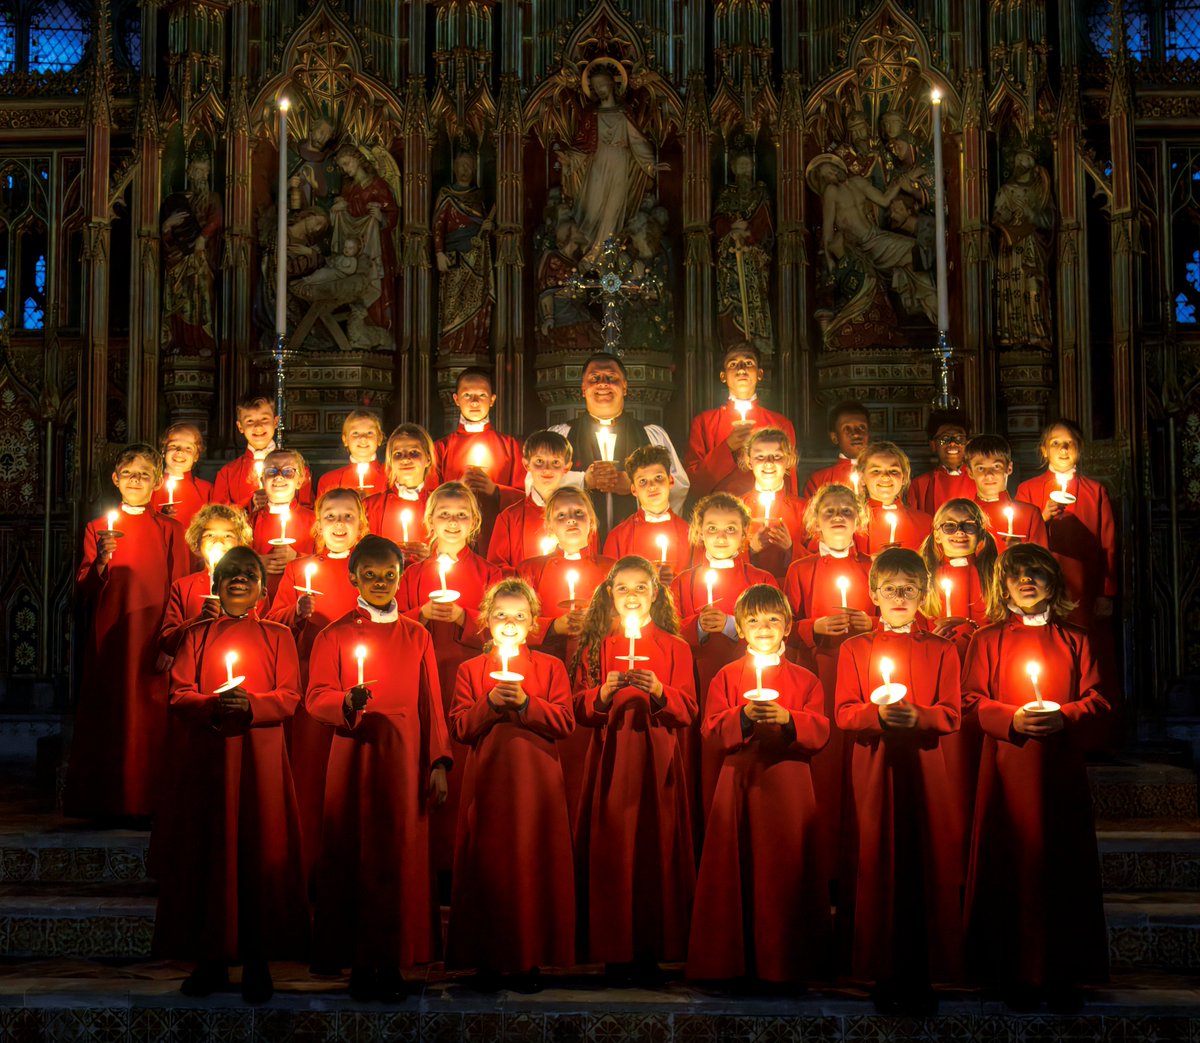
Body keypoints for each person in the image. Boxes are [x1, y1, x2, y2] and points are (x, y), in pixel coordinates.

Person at [154, 546, 307, 1002]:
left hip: (260, 759)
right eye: (230, 575)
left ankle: (259, 960)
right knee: (212, 850)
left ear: (262, 589)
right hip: (212, 757)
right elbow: (180, 694)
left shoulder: (279, 635)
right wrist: (213, 705)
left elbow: (290, 696)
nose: (239, 581)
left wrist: (253, 705)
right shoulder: (197, 635)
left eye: (249, 575)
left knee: (260, 852)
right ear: (216, 585)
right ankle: (211, 958)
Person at [962, 543, 1111, 1011]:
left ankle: (1060, 973)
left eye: (1037, 573)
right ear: (1001, 585)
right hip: (1007, 768)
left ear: (1054, 582)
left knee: (1059, 864)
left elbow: (1097, 698)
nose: (1026, 580)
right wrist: (1011, 718)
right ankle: (1011, 973)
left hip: (1057, 773)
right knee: (1012, 863)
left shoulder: (1076, 639)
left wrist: (1065, 715)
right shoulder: (987, 640)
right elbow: (969, 701)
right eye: (1016, 574)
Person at [305, 535, 451, 1002]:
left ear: (401, 576)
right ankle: (358, 962)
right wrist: (345, 701)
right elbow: (316, 697)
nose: (381, 582)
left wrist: (438, 762)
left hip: (405, 762)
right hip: (355, 758)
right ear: (353, 577)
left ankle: (392, 962)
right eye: (370, 574)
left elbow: (431, 702)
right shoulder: (334, 634)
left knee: (400, 861)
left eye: (389, 574)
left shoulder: (418, 634)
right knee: (355, 857)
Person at [834, 547, 963, 1014]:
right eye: (890, 589)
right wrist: (880, 715)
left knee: (923, 861)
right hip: (876, 767)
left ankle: (922, 971)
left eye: (910, 589)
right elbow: (845, 713)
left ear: (924, 593)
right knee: (880, 862)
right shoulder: (855, 649)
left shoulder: (941, 648)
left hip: (926, 769)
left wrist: (918, 715)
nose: (900, 597)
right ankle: (882, 970)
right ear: (873, 594)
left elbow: (951, 713)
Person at [686, 585, 830, 986]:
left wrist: (788, 720)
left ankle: (787, 965)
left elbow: (820, 731)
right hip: (740, 782)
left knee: (785, 870)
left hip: (788, 784)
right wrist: (744, 717)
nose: (763, 628)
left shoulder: (804, 678)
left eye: (772, 620)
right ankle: (735, 964)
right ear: (741, 630)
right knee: (739, 870)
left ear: (787, 629)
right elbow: (712, 730)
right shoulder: (727, 676)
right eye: (753, 621)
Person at [570, 556, 696, 985]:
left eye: (640, 587)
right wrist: (601, 695)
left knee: (653, 849)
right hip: (610, 757)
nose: (631, 596)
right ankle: (612, 950)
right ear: (608, 593)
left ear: (655, 593)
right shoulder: (595, 645)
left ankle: (651, 949)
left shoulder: (675, 647)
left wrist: (660, 691)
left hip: (656, 759)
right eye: (622, 588)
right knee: (613, 850)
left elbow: (689, 711)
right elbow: (577, 710)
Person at [446, 579, 575, 990]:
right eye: (501, 615)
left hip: (536, 783)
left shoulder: (550, 668)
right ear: (486, 620)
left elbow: (565, 722)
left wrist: (524, 703)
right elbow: (461, 727)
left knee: (531, 866)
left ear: (533, 623)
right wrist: (489, 704)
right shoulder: (470, 670)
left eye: (520, 616)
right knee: (489, 866)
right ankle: (486, 958)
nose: (509, 623)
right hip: (489, 781)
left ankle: (527, 960)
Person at [64, 444, 190, 822]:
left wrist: (172, 638)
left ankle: (148, 802)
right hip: (113, 635)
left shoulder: (170, 529)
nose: (136, 480)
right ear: (116, 479)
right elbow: (85, 587)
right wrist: (102, 559)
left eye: (145, 475)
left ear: (156, 483)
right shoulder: (97, 529)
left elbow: (181, 587)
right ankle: (107, 801)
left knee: (150, 718)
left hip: (153, 635)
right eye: (129, 473)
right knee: (113, 713)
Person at [396, 482, 503, 880]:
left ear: (475, 521)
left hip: (471, 680)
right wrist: (420, 614)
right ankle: (425, 863)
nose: (453, 522)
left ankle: (465, 866)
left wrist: (463, 619)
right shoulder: (411, 574)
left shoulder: (491, 573)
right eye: (444, 514)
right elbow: (394, 629)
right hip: (423, 682)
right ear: (430, 521)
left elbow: (505, 629)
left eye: (462, 515)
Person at [266, 487, 366, 874]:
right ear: (318, 525)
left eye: (347, 517)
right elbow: (273, 623)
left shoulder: (368, 569)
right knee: (312, 772)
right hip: (313, 681)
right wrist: (296, 611)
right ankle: (310, 863)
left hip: (358, 680)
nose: (339, 525)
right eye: (331, 517)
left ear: (361, 524)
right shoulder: (298, 570)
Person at [781, 483, 875, 889]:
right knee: (824, 767)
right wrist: (812, 627)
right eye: (829, 511)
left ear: (860, 519)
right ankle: (820, 868)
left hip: (863, 677)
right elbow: (785, 623)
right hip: (818, 672)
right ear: (814, 521)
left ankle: (859, 863)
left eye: (847, 511)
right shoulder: (800, 568)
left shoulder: (872, 566)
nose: (838, 517)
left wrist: (871, 624)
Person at [669, 493, 777, 820]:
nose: (720, 536)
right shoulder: (682, 582)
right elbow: (668, 637)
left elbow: (773, 625)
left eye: (730, 529)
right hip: (698, 678)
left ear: (745, 534)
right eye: (712, 528)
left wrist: (732, 625)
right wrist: (697, 627)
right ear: (699, 532)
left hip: (743, 680)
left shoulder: (761, 580)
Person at [517, 486, 613, 825]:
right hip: (548, 677)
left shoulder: (609, 569)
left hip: (597, 675)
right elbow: (511, 621)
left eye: (579, 514)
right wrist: (552, 626)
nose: (571, 520)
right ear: (548, 526)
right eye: (561, 515)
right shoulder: (531, 570)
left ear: (592, 523)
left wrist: (599, 621)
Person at [919, 497, 997, 871]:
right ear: (936, 536)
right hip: (936, 683)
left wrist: (972, 629)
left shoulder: (993, 574)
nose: (959, 533)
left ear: (981, 534)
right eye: (949, 526)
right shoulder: (924, 576)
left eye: (967, 525)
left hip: (980, 679)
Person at [549, 353, 689, 540]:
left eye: (611, 378)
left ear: (624, 387)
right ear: (583, 388)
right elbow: (536, 485)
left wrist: (636, 486)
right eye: (594, 378)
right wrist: (584, 481)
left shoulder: (651, 435)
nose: (603, 383)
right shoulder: (561, 436)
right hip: (579, 547)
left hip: (637, 543)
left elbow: (678, 485)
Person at [1015, 419, 1117, 627]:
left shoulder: (1095, 491)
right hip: (1040, 585)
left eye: (1070, 443)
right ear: (1044, 450)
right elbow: (1017, 540)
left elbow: (1109, 545)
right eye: (1055, 443)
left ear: (1079, 449)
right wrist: (1041, 518)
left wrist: (1106, 593)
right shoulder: (1028, 490)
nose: (1063, 448)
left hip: (1085, 585)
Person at [684, 344, 797, 502]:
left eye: (749, 363)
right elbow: (693, 484)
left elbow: (790, 483)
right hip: (720, 513)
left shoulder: (780, 423)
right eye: (733, 364)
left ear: (759, 374)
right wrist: (727, 447)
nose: (741, 369)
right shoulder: (704, 422)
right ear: (723, 376)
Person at [435, 367, 527, 552]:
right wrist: (458, 488)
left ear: (492, 400)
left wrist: (496, 491)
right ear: (456, 399)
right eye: (468, 395)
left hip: (498, 534)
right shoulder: (441, 448)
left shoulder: (511, 447)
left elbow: (527, 498)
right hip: (453, 537)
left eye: (482, 395)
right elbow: (428, 498)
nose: (475, 402)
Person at [159, 504, 255, 663]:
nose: (218, 542)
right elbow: (168, 641)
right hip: (193, 670)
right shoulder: (182, 587)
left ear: (240, 545)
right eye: (210, 535)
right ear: (197, 544)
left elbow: (260, 634)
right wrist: (199, 619)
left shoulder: (252, 586)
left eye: (228, 536)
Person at [488, 429, 584, 572]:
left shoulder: (581, 517)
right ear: (526, 465)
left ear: (567, 467)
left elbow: (588, 560)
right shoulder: (509, 518)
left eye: (555, 462)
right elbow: (497, 568)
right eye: (539, 461)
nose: (547, 469)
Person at [601, 444, 692, 582]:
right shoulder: (618, 537)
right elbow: (610, 586)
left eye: (659, 477)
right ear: (634, 490)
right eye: (643, 481)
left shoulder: (689, 534)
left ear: (671, 481)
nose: (652, 486)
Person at [213, 393, 312, 509]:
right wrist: (250, 504)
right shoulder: (227, 474)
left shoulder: (297, 469)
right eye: (250, 421)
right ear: (240, 427)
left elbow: (307, 510)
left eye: (264, 419)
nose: (258, 427)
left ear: (275, 422)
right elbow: (218, 515)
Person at [247, 448, 316, 600]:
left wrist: (297, 558)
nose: (279, 477)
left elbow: (327, 561)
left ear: (299, 481)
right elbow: (235, 560)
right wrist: (255, 563)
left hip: (301, 598)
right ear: (262, 480)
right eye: (271, 471)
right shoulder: (248, 522)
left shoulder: (315, 521)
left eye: (288, 472)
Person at [740, 427, 809, 578]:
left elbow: (818, 561)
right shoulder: (737, 508)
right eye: (760, 457)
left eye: (777, 456)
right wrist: (750, 549)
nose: (769, 463)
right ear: (749, 461)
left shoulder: (805, 509)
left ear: (789, 460)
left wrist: (791, 548)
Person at [365, 422, 437, 561]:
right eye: (398, 454)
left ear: (428, 459)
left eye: (414, 452)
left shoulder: (440, 504)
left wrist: (432, 556)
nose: (405, 459)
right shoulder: (371, 507)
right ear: (391, 461)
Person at [964, 434, 1048, 552]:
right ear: (970, 472)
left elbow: (1041, 563)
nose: (989, 474)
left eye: (996, 466)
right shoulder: (963, 515)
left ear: (1009, 468)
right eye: (981, 468)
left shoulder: (1030, 515)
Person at [854, 442, 933, 555]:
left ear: (904, 477)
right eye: (876, 470)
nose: (886, 477)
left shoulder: (924, 523)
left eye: (893, 471)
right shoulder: (852, 523)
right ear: (862, 478)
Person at [908, 410, 975, 516]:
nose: (952, 443)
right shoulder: (920, 485)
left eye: (959, 438)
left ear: (967, 443)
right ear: (933, 445)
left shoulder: (980, 480)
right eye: (945, 439)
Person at [151, 422, 213, 533]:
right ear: (163, 451)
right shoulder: (150, 487)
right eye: (173, 446)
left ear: (196, 456)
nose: (180, 451)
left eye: (188, 448)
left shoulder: (206, 490)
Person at [803, 401, 870, 496]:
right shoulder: (820, 480)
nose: (856, 434)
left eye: (862, 427)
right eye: (847, 428)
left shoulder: (882, 476)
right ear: (835, 437)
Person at [316, 409, 387, 497]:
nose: (363, 438)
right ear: (345, 439)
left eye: (370, 433)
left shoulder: (391, 477)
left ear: (379, 438)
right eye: (355, 433)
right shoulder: (329, 481)